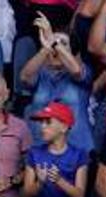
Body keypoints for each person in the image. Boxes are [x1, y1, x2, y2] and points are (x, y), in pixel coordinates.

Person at [19, 11, 92, 153]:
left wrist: (52, 39)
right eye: (53, 44)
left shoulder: (84, 71)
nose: (56, 48)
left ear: (72, 52)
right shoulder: (41, 73)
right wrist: (45, 49)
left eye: (63, 44)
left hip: (77, 151)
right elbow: (24, 77)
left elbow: (77, 72)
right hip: (41, 150)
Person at [21, 101, 89, 197]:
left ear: (64, 127)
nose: (42, 127)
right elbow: (25, 196)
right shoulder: (34, 153)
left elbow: (79, 196)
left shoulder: (79, 155)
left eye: (48, 122)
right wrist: (39, 183)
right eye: (41, 122)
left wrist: (58, 180)